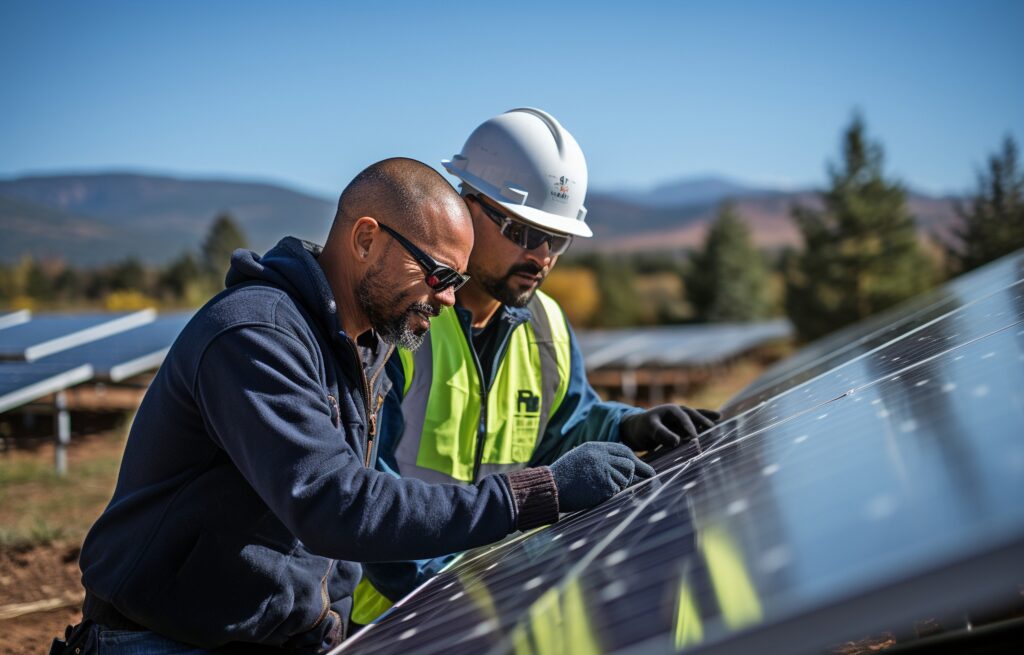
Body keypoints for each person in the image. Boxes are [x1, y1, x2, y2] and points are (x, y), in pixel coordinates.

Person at [59, 158, 655, 654]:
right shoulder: (254, 337)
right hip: (166, 643)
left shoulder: (364, 344)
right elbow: (335, 504)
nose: (449, 299)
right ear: (365, 239)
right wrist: (537, 492)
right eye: (439, 274)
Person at [354, 111, 720, 623]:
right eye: (521, 231)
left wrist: (626, 425)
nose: (542, 257)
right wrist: (448, 599)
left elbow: (565, 427)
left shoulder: (546, 325)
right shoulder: (404, 324)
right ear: (464, 207)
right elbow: (367, 498)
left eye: (556, 239)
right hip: (395, 618)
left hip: (506, 602)